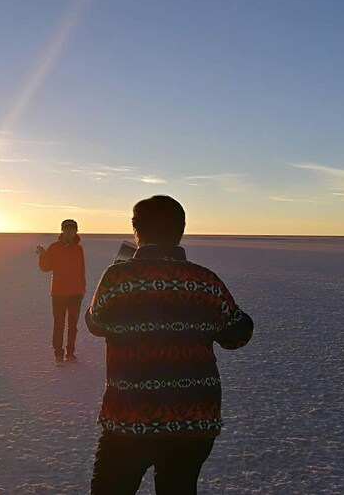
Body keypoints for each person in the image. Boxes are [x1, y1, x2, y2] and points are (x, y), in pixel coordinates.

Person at [86, 195, 253, 494]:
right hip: (194, 420)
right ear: (182, 230)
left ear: (135, 230)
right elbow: (238, 334)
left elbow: (95, 324)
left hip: (129, 418)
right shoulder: (204, 280)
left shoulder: (118, 277)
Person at [37, 218, 86, 364]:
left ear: (76, 231)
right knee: (59, 324)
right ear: (62, 231)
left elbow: (81, 270)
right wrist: (42, 256)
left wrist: (82, 289)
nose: (69, 232)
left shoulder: (79, 249)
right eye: (67, 229)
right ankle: (58, 354)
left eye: (72, 229)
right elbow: (46, 267)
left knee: (73, 325)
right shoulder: (54, 247)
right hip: (59, 293)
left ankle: (70, 352)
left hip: (76, 293)